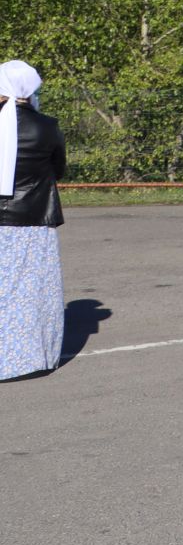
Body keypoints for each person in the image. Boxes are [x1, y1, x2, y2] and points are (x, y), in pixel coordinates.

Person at [0, 61, 66, 381]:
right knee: (32, 291)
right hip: (34, 219)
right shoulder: (47, 126)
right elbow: (59, 169)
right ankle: (29, 357)